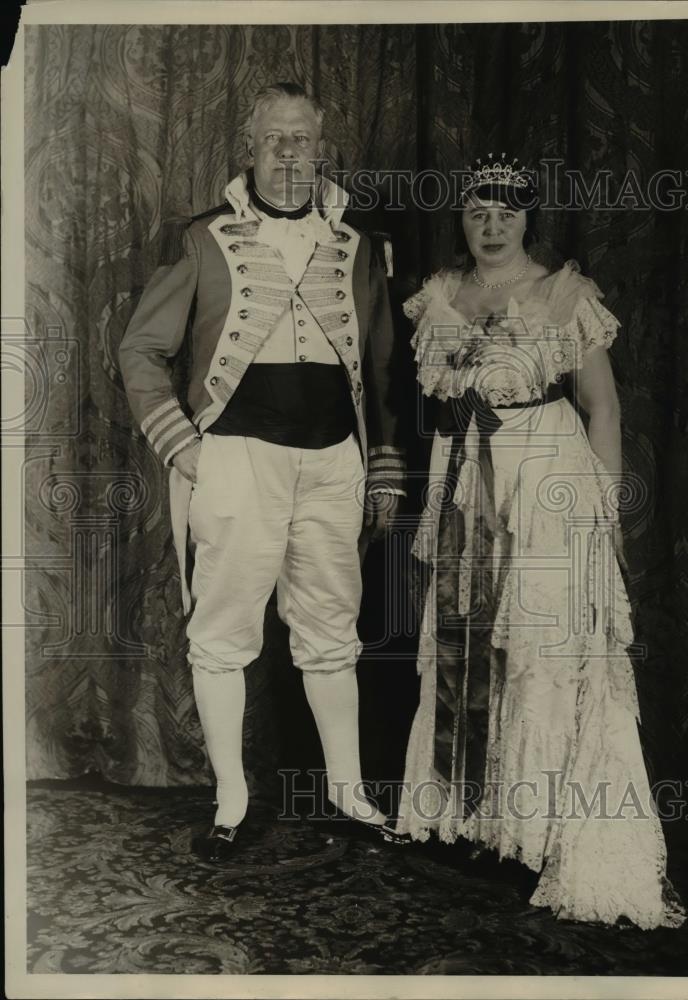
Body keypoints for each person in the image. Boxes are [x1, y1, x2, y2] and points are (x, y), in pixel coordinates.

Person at [396, 155, 686, 929]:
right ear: (463, 217)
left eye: (507, 211)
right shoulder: (438, 298)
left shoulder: (564, 296)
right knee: (469, 643)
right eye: (478, 210)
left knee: (541, 645)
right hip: (465, 478)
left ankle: (546, 829)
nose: (492, 225)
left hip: (546, 481)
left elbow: (603, 410)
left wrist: (604, 510)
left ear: (528, 218)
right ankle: (479, 821)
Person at [119, 82, 407, 860]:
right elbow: (141, 349)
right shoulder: (204, 239)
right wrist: (183, 445)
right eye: (274, 139)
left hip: (331, 459)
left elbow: (383, 369)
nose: (289, 153)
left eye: (302, 139)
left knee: (330, 630)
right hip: (237, 458)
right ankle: (231, 799)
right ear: (249, 149)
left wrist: (382, 469)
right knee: (222, 634)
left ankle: (348, 793)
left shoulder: (357, 246)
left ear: (322, 149)